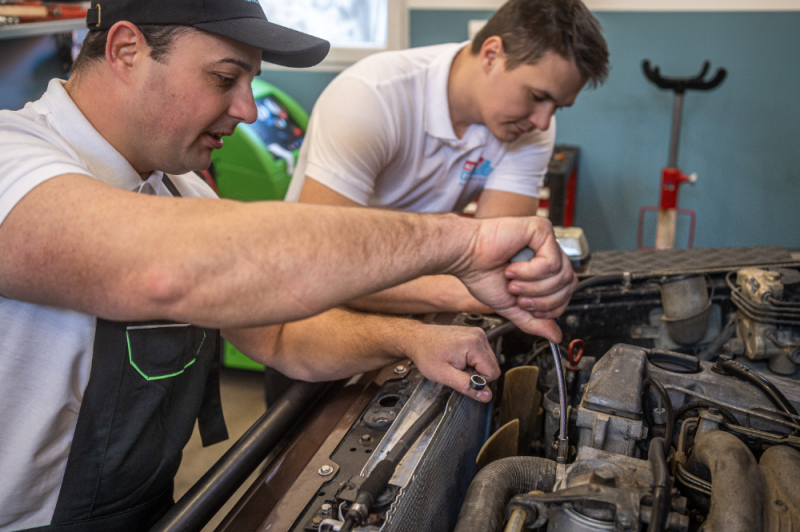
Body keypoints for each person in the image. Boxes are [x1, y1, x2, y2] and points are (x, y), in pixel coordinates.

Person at [0, 1, 577, 530]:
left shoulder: (180, 188)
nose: (248, 110)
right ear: (127, 50)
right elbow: (167, 267)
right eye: (224, 78)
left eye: (251, 83)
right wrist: (462, 246)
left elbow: (277, 334)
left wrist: (407, 340)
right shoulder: (12, 159)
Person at [286, 0, 607, 316]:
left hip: (413, 291)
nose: (543, 121)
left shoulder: (530, 127)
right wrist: (464, 293)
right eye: (537, 96)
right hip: (310, 304)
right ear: (492, 55)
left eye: (557, 107)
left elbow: (493, 258)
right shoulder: (369, 98)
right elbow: (323, 263)